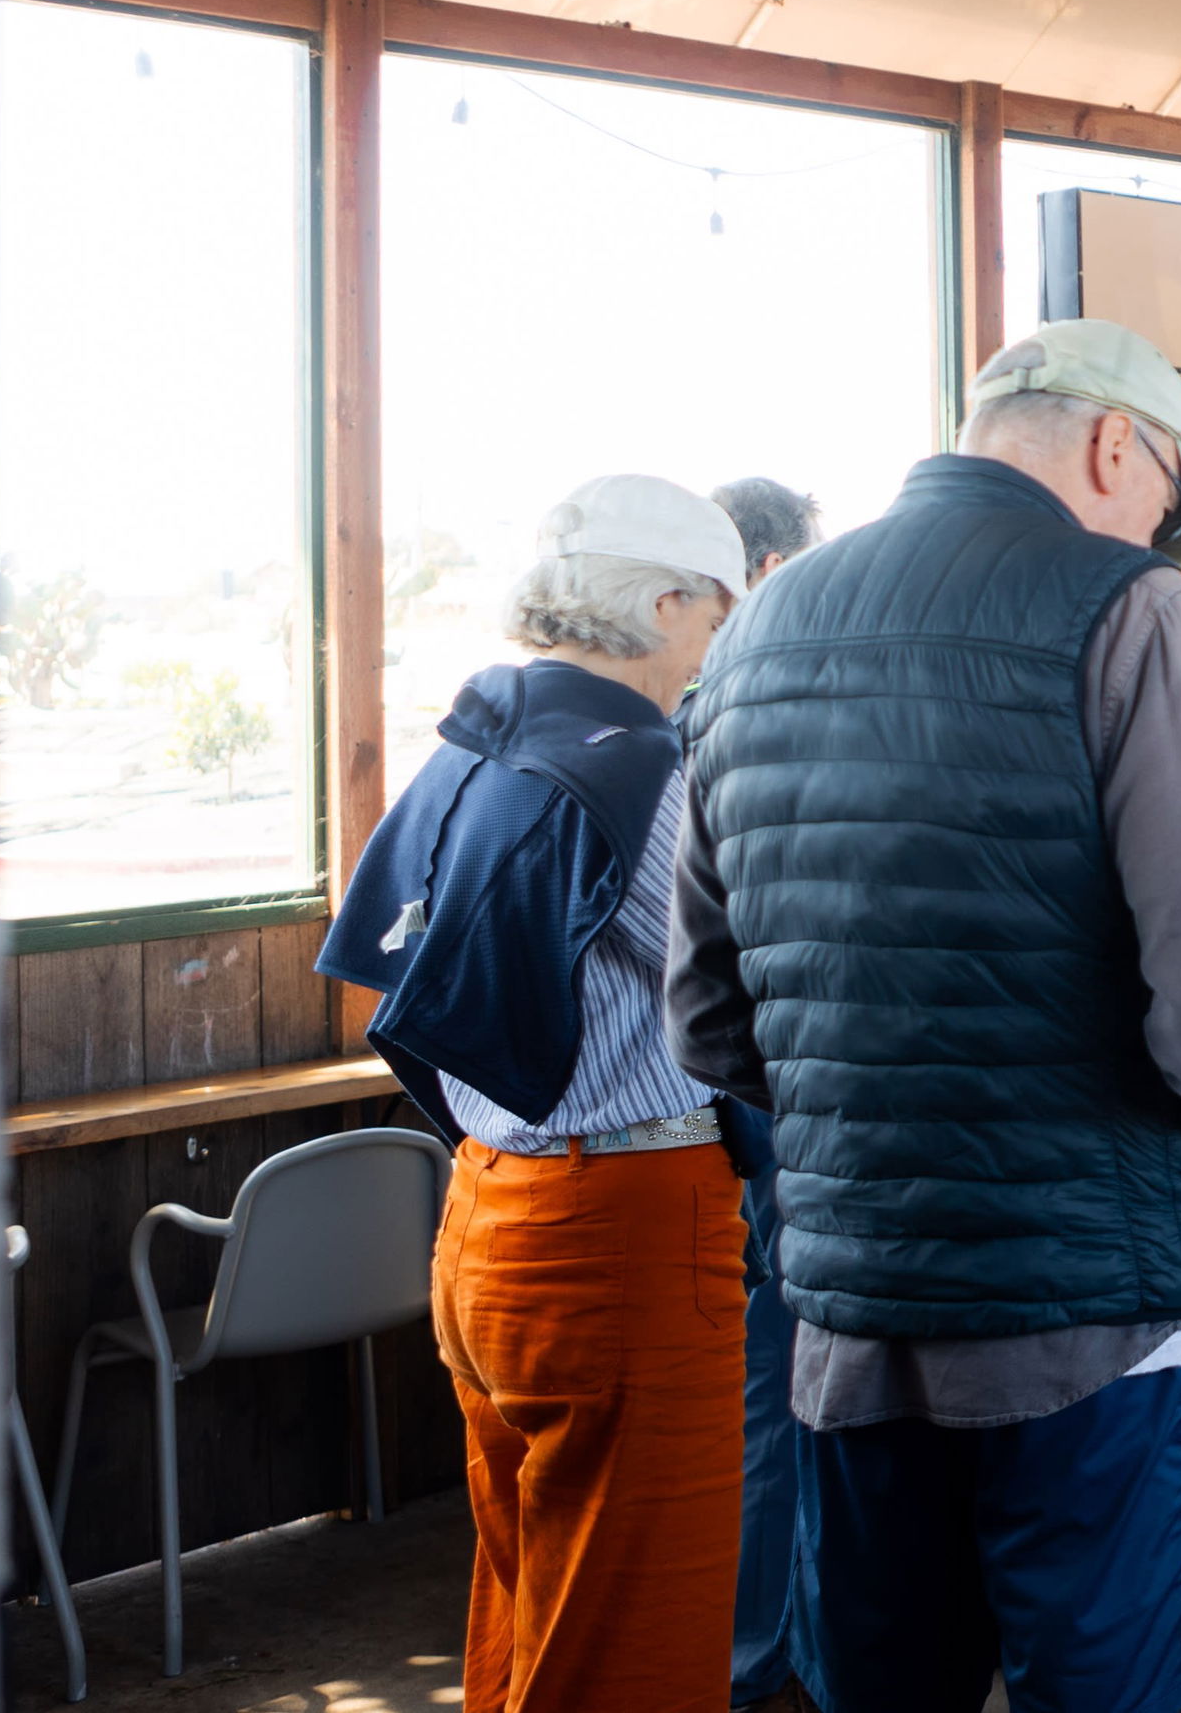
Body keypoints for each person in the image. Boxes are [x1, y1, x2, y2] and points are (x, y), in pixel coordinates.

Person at [666, 320, 1181, 1713]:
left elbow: (709, 1026)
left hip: (847, 1324)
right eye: (1164, 498)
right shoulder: (1129, 607)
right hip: (1100, 1326)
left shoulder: (756, 629)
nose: (1160, 530)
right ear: (1109, 444)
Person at [317, 474, 752, 1713]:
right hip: (626, 1226)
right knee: (636, 1637)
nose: (717, 644)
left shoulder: (469, 748)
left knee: (535, 1603)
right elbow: (750, 981)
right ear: (665, 600)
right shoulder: (647, 768)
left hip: (486, 1217)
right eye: (718, 615)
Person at [703, 478, 823, 1713]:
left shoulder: (698, 714)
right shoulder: (739, 712)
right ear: (775, 563)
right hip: (773, 1115)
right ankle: (765, 1665)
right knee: (783, 1396)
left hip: (736, 1111)